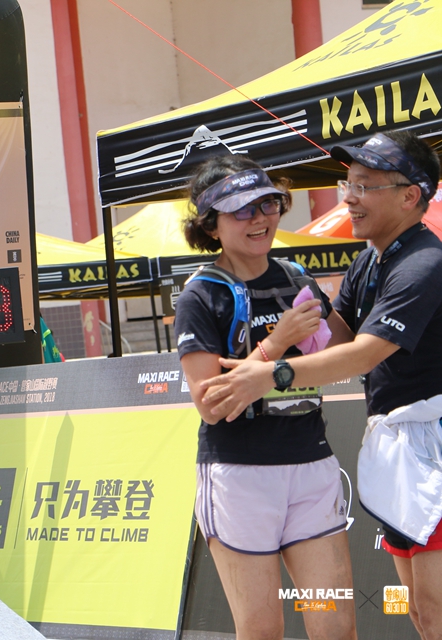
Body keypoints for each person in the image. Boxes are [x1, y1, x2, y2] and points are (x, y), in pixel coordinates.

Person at [198, 130, 442, 639]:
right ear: (210, 224)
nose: (348, 197)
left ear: (409, 196)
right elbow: (338, 339)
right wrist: (284, 328)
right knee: (419, 610)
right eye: (348, 183)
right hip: (259, 474)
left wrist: (273, 370)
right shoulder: (367, 261)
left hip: (413, 446)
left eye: (364, 185)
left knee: (413, 612)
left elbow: (364, 352)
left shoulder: (425, 262)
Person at [175, 156, 357, 639]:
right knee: (262, 632)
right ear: (211, 225)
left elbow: (347, 353)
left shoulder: (297, 277)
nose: (259, 219)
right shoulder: (201, 296)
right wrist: (278, 342)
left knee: (336, 628)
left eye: (268, 204)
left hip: (311, 467)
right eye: (242, 210)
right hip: (241, 477)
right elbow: (211, 405)